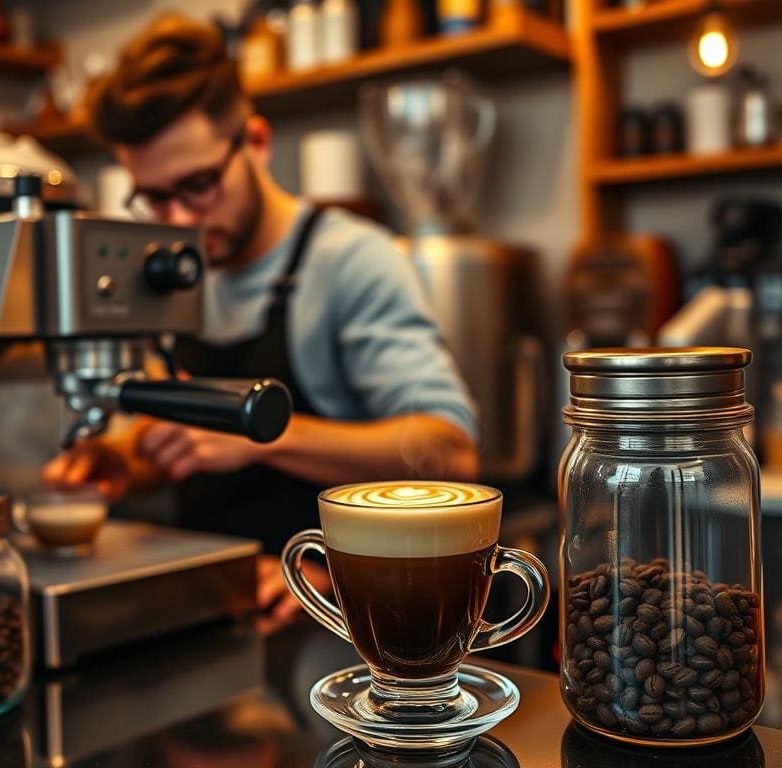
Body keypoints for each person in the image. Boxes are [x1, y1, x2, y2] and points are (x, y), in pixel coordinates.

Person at [43, 13, 480, 622]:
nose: (177, 222)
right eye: (155, 196)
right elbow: (187, 448)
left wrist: (263, 436)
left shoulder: (351, 261)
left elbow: (449, 451)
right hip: (215, 599)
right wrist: (128, 466)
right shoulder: (172, 272)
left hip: (338, 606)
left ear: (254, 141)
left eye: (196, 185)